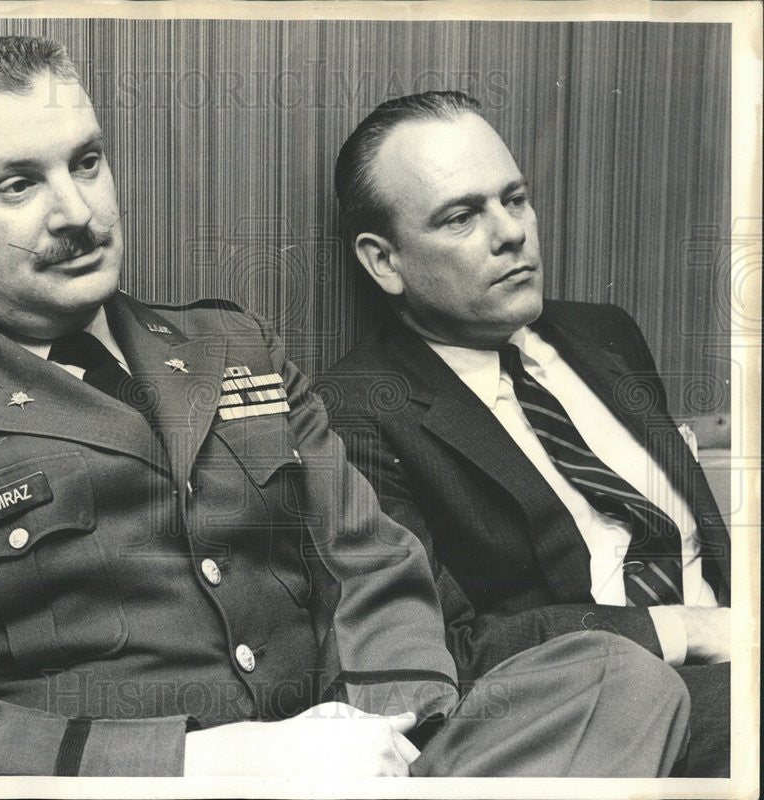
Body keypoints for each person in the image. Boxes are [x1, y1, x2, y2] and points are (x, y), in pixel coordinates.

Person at [0, 39, 691, 777]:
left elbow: (369, 563)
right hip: (153, 782)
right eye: (18, 184)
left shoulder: (232, 346)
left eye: (89, 164)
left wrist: (392, 733)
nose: (78, 211)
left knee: (616, 677)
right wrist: (222, 763)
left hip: (354, 759)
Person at [322, 90, 730, 777]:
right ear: (383, 260)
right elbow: (446, 652)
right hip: (609, 711)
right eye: (462, 216)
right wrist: (689, 630)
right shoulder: (358, 414)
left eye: (515, 199)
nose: (511, 232)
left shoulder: (604, 333)